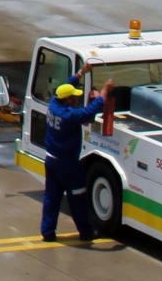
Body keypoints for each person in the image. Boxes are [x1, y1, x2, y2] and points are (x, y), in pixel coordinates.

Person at [41, 73, 114, 242]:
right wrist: (104, 91)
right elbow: (90, 110)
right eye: (73, 97)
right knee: (78, 197)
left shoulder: (53, 104)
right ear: (67, 100)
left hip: (51, 160)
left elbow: (64, 87)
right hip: (67, 164)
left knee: (51, 197)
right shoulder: (69, 116)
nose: (76, 99)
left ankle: (47, 232)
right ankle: (86, 233)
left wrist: (80, 73)